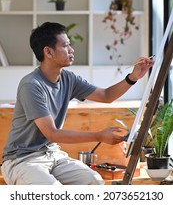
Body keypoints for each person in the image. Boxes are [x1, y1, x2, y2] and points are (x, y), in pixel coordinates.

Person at [1, 22, 154, 185]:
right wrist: (99, 135)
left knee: (94, 181)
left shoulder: (68, 78)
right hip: (22, 160)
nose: (71, 49)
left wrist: (133, 77)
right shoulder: (31, 85)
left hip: (52, 154)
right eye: (66, 45)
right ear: (48, 52)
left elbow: (106, 95)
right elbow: (52, 133)